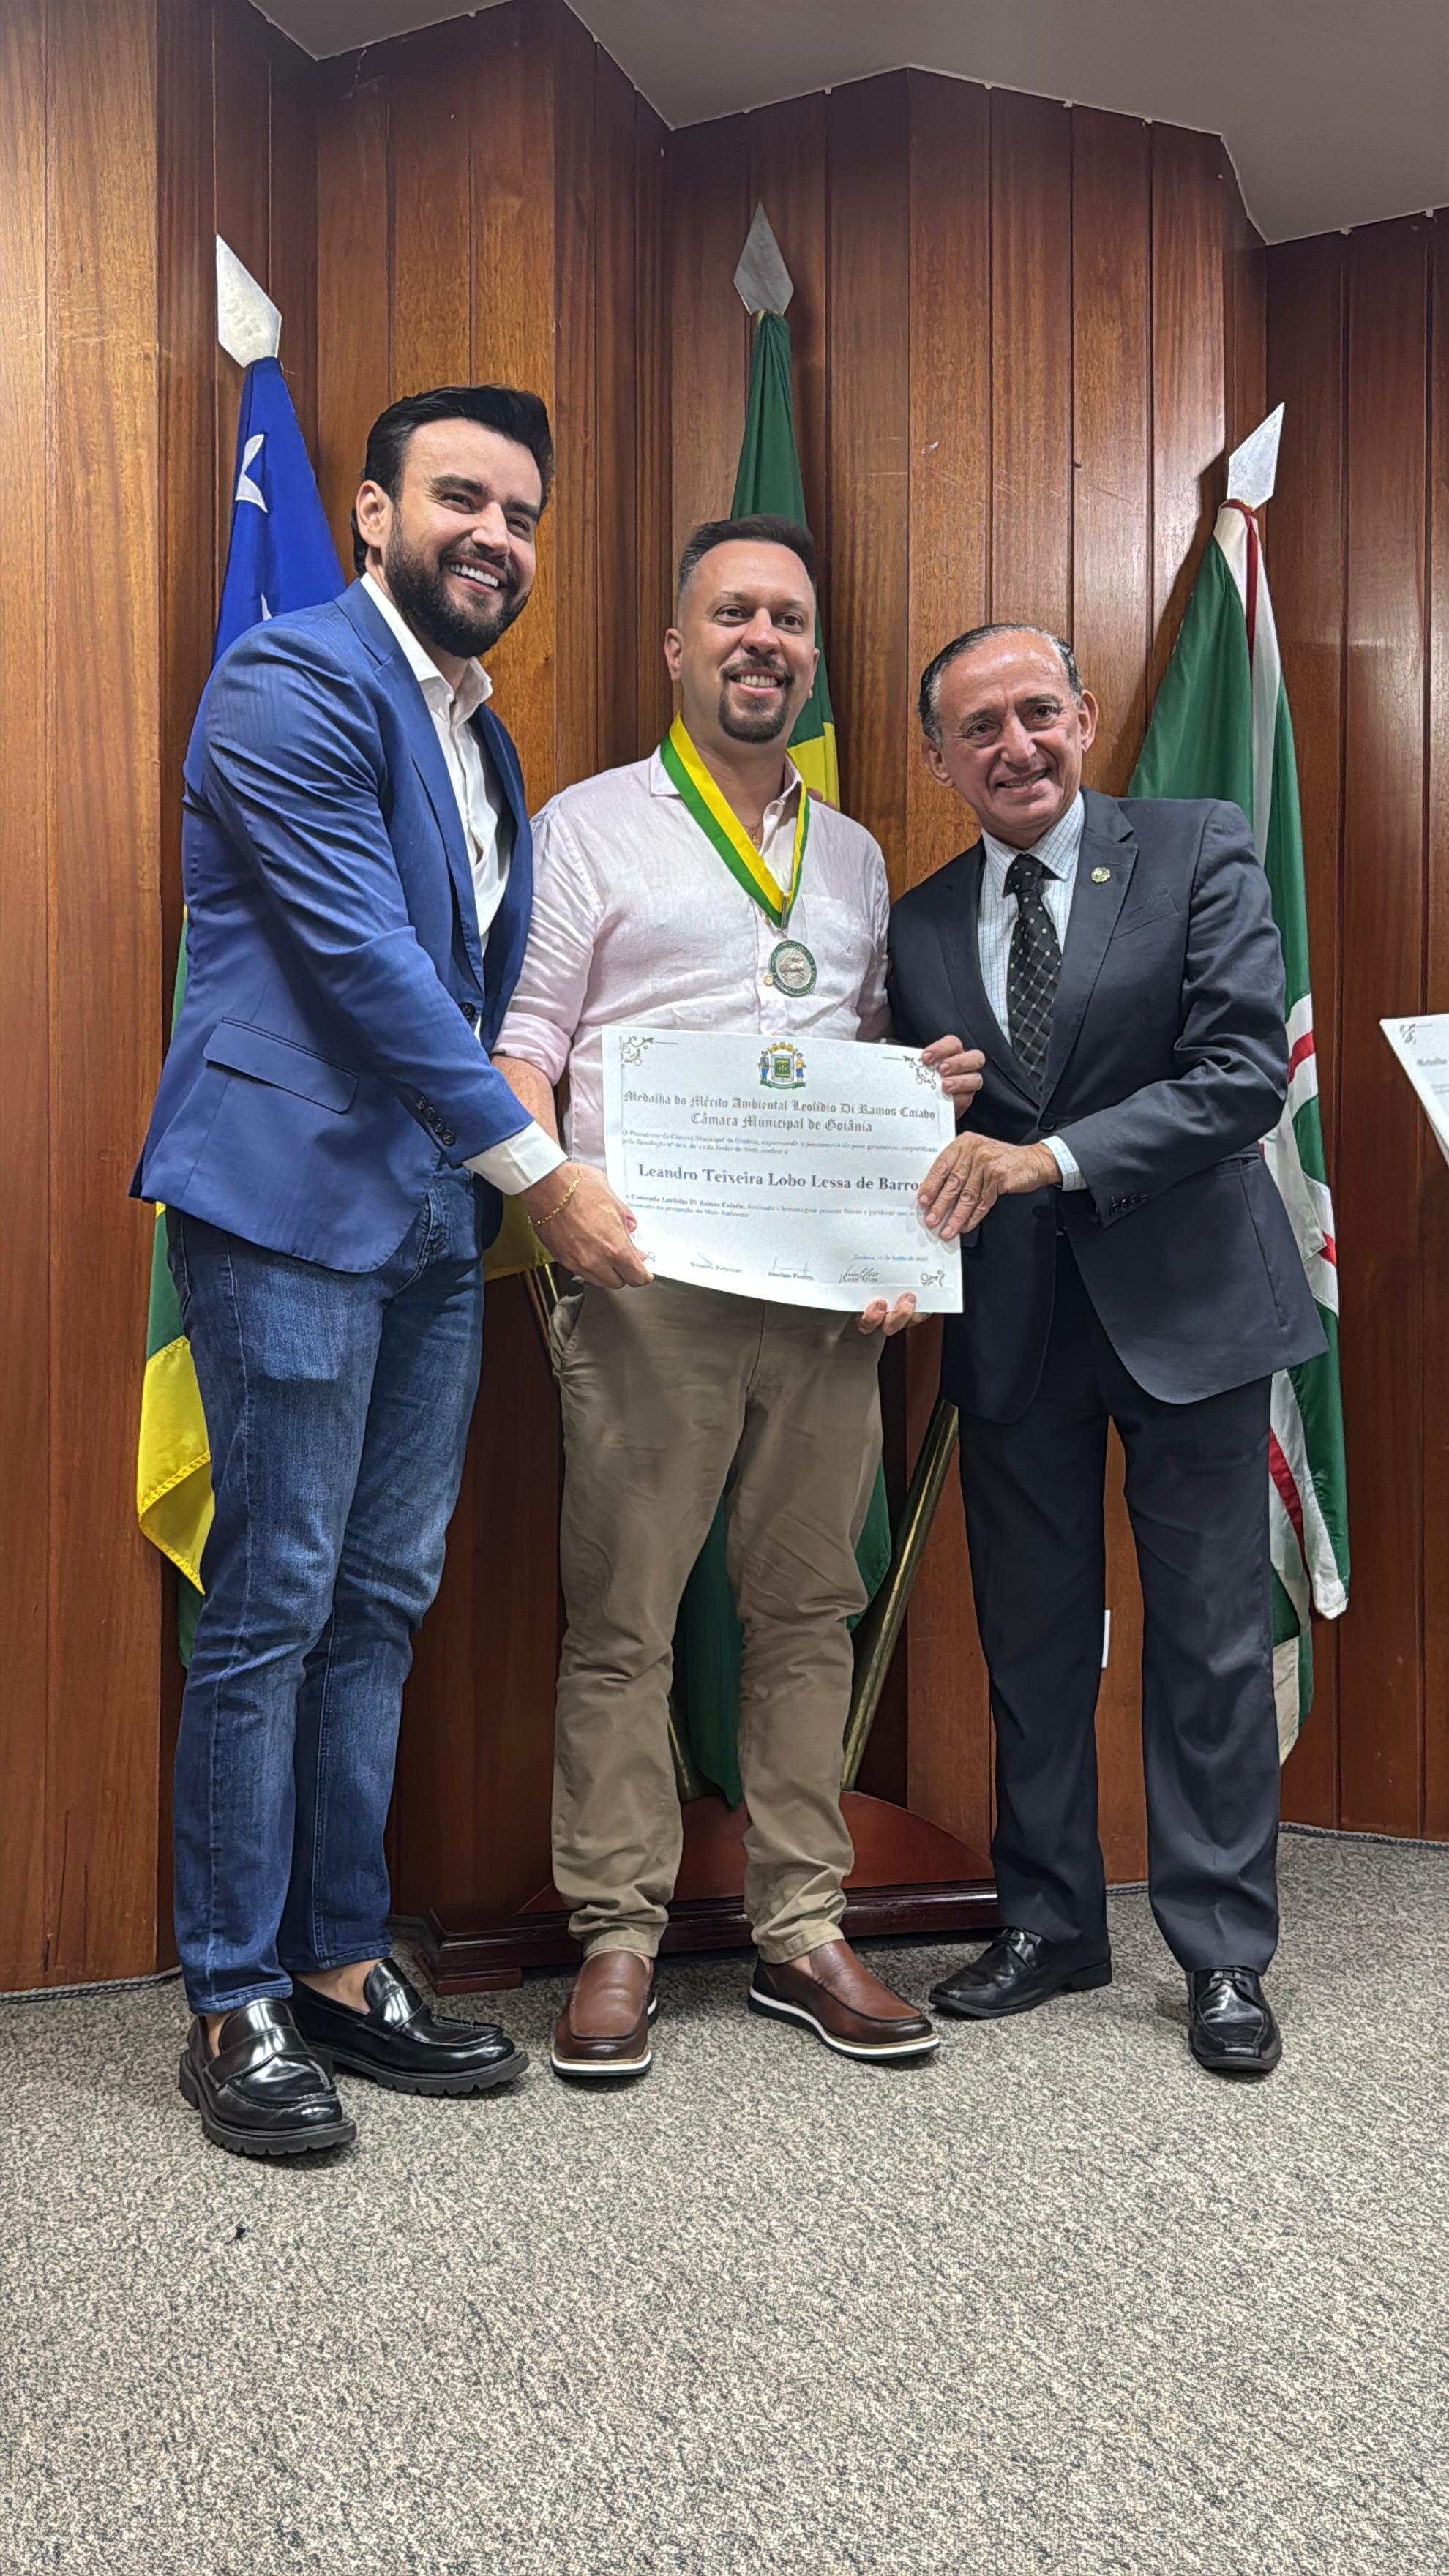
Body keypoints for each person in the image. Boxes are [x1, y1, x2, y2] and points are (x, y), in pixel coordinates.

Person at [133, 385, 582, 2157]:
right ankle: (230, 1994)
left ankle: (335, 1958)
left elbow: (479, 984)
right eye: (461, 495)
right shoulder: (289, 677)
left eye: (522, 513)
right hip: (286, 1203)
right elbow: (364, 960)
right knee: (276, 1595)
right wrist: (546, 1175)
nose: (495, 534)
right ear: (375, 513)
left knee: (383, 1595)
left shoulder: (485, 739)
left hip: (425, 1224)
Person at [495, 514, 980, 2081]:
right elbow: (524, 1042)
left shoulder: (855, 854)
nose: (762, 639)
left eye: (787, 618)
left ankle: (802, 1925)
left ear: (811, 657)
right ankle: (617, 1934)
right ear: (677, 647)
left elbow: (861, 1061)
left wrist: (906, 1168)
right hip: (649, 1284)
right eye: (732, 614)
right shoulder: (586, 827)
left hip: (825, 1299)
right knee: (625, 1618)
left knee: (808, 1612)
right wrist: (553, 1196)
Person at [888, 622, 1325, 2079]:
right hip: (1015, 1327)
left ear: (1083, 715)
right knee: (1032, 1643)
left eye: (1037, 712)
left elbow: (1241, 1074)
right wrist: (925, 1098)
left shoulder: (1196, 849)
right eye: (979, 728)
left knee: (1207, 1643)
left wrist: (1047, 1158)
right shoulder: (921, 922)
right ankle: (1050, 1920)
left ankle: (1223, 1951)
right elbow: (923, 1130)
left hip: (1191, 1311)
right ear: (939, 759)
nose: (1015, 745)